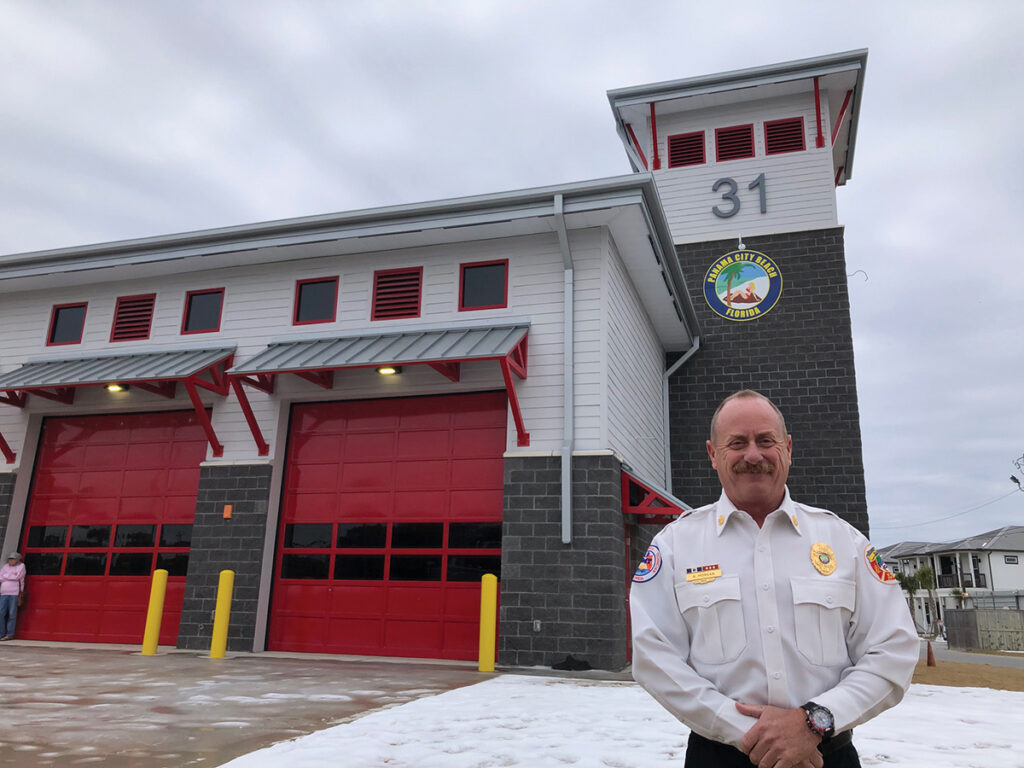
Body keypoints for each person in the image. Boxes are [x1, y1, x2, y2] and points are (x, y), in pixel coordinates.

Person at [630, 390, 918, 768]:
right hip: (719, 757)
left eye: (766, 440)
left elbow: (893, 650)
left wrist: (814, 722)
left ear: (789, 448)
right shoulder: (675, 546)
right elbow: (655, 658)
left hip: (826, 754)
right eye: (737, 443)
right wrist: (759, 737)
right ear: (712, 454)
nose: (753, 455)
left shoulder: (843, 541)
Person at [0, 551, 26, 640]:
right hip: (3, 593)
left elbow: (17, 577)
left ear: (17, 560)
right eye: (10, 559)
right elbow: (0, 577)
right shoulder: (5, 566)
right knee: (1, 613)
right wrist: (11, 576)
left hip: (14, 593)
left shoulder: (21, 566)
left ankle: (10, 634)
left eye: (13, 559)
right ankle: (1, 633)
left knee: (12, 614)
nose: (11, 561)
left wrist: (6, 577)